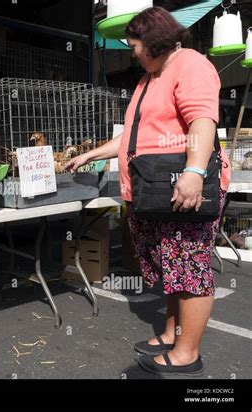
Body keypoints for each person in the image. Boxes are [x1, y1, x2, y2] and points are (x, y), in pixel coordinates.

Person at [65, 7, 231, 376]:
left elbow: (202, 119)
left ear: (155, 39)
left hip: (179, 186)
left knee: (188, 267)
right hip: (149, 190)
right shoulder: (151, 77)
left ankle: (188, 352)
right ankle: (173, 332)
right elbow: (133, 137)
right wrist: (92, 154)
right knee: (169, 265)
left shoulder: (189, 64)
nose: (132, 52)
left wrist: (193, 171)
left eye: (135, 44)